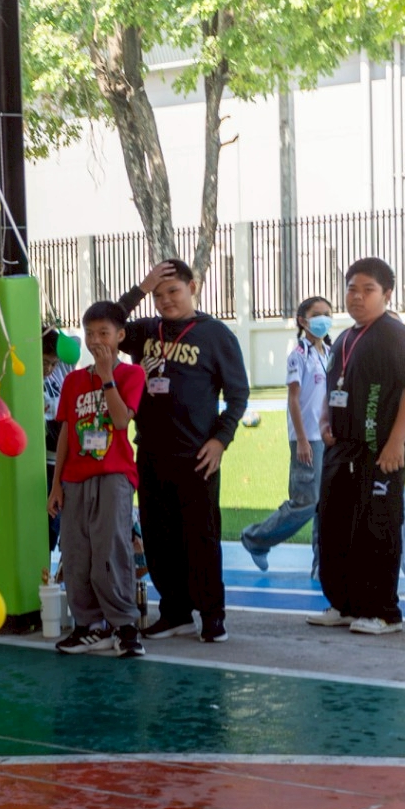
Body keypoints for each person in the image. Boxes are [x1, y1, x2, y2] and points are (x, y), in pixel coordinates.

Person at [116, 259, 250, 642]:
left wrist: (220, 440)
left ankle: (212, 615)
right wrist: (140, 289)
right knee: (159, 538)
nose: (165, 300)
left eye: (173, 291)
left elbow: (238, 394)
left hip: (196, 457)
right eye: (157, 295)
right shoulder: (145, 331)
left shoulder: (215, 335)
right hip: (151, 453)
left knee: (201, 538)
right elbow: (108, 322)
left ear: (193, 287)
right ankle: (174, 613)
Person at [309, 258, 405, 635]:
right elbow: (332, 386)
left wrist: (396, 441)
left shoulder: (396, 335)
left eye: (367, 290)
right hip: (340, 451)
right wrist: (325, 422)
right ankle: (343, 603)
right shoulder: (344, 338)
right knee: (334, 526)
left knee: (376, 529)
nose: (357, 297)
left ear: (386, 294)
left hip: (379, 451)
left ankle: (383, 612)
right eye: (351, 289)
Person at [48, 301, 146, 657]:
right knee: (77, 554)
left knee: (110, 550)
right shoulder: (73, 380)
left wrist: (106, 377)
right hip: (75, 479)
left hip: (113, 474)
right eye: (90, 334)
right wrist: (56, 485)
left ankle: (124, 626)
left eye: (104, 333)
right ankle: (88, 626)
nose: (95, 340)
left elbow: (120, 421)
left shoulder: (131, 374)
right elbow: (66, 433)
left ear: (120, 336)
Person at [241, 297, 333, 576]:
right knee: (306, 502)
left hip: (326, 436)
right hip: (307, 438)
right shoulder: (299, 355)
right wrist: (302, 439)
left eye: (327, 314)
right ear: (303, 321)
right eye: (317, 314)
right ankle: (256, 538)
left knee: (327, 503)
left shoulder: (329, 352)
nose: (324, 319)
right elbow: (294, 399)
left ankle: (322, 562)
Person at [41, 328, 70, 556]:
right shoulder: (22, 379)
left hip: (61, 463)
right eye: (44, 362)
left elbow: (74, 342)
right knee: (44, 527)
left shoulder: (59, 374)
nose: (49, 368)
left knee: (58, 525)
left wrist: (54, 329)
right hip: (41, 464)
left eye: (53, 363)